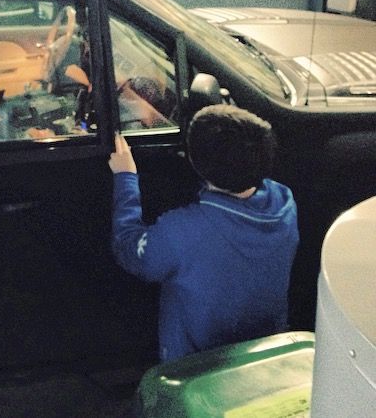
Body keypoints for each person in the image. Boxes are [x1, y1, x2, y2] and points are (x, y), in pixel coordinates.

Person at [108, 103, 299, 363]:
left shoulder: (181, 231)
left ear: (193, 161)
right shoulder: (284, 202)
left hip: (195, 365)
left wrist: (126, 177)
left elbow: (130, 250)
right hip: (263, 355)